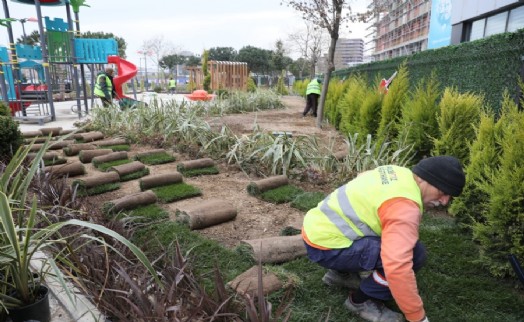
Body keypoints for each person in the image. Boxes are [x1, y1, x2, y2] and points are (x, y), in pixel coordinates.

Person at [302, 156, 466, 322]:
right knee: (414, 255)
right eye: (443, 192)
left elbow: (362, 177)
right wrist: (418, 317)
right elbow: (397, 268)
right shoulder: (404, 207)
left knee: (385, 236)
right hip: (328, 249)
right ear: (424, 179)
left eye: (449, 196)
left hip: (317, 232)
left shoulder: (396, 172)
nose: (445, 201)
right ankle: (361, 301)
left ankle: (340, 275)